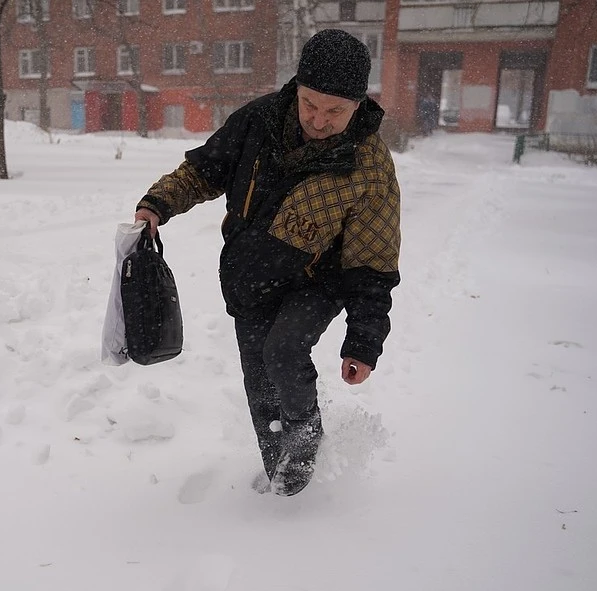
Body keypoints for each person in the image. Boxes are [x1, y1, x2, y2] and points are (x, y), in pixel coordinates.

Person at [134, 29, 401, 496]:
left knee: (283, 351)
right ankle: (278, 474)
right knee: (258, 381)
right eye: (309, 104)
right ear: (296, 89)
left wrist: (363, 340)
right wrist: (158, 204)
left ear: (358, 105)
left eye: (334, 110)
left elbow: (372, 261)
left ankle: (303, 449)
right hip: (251, 277)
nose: (318, 120)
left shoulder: (368, 166)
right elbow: (205, 169)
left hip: (318, 281)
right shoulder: (260, 120)